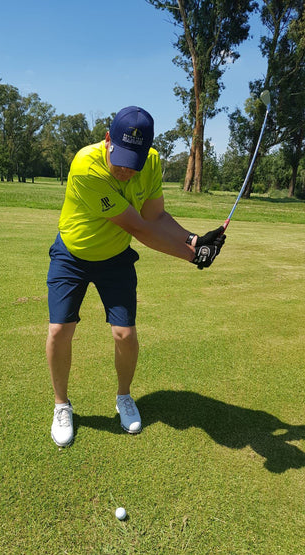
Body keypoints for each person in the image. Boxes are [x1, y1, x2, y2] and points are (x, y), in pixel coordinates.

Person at [46, 106, 226, 447]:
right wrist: (192, 256)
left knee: (125, 335)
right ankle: (61, 405)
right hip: (72, 254)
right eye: (122, 158)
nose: (128, 169)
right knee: (59, 329)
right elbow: (139, 228)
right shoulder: (86, 168)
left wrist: (194, 240)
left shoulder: (151, 163)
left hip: (115, 258)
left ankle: (124, 396)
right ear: (107, 139)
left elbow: (155, 216)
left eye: (136, 160)